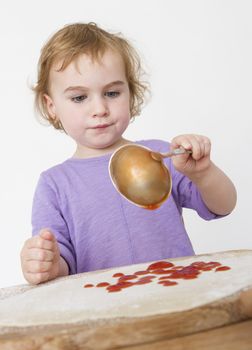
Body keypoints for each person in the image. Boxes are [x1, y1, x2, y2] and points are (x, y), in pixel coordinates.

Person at [20, 22, 237, 285]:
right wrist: (48, 263)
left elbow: (223, 206)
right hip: (105, 312)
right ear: (52, 106)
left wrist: (203, 173)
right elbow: (60, 261)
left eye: (112, 93)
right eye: (79, 98)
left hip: (179, 296)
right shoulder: (54, 184)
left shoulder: (159, 155)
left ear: (130, 93)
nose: (99, 108)